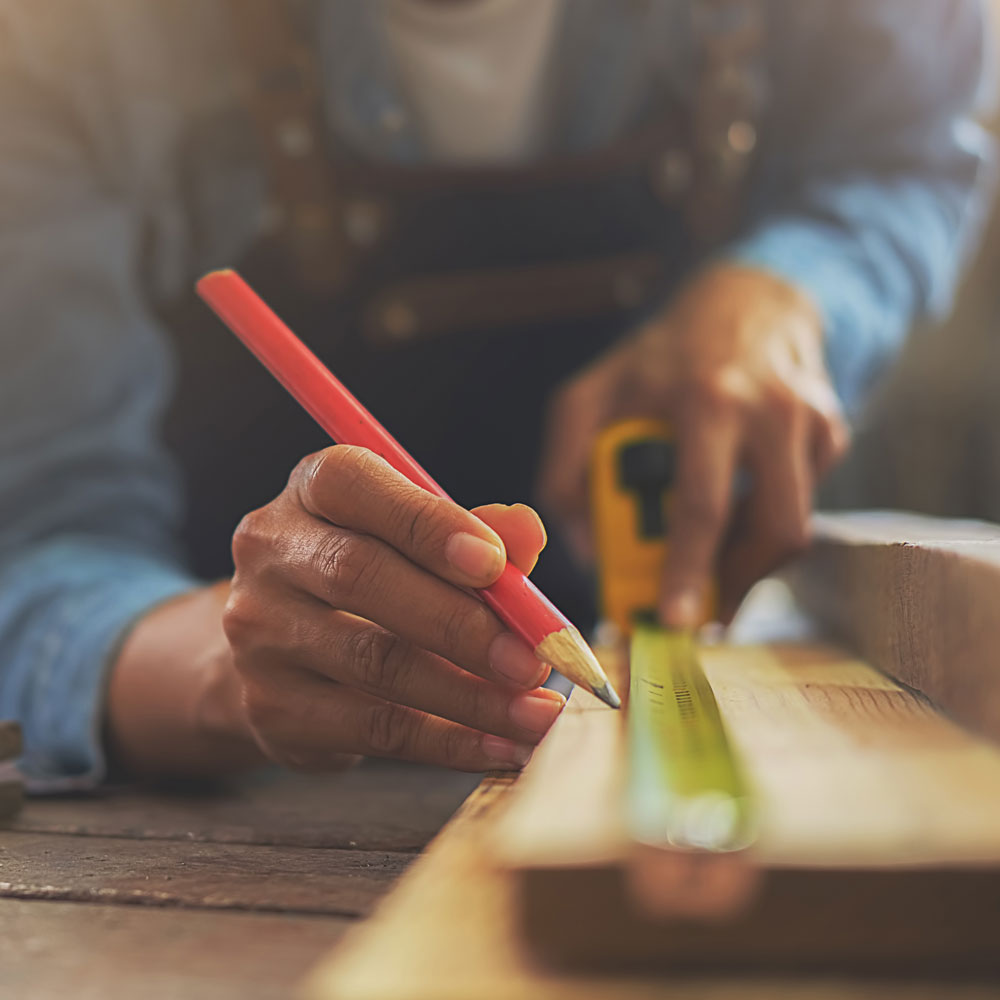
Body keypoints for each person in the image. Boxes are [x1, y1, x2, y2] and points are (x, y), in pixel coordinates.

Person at [0, 0, 989, 789]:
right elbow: (42, 551)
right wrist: (226, 666)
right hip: (273, 790)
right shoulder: (53, 37)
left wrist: (787, 292)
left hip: (715, 622)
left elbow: (900, 154)